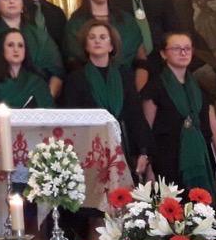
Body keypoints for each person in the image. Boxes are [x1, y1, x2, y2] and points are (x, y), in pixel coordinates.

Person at [140, 32, 216, 202]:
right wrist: (149, 169)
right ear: (163, 54)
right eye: (176, 48)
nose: (183, 53)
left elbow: (215, 129)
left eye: (187, 48)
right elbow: (146, 131)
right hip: (166, 164)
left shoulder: (201, 88)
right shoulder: (154, 87)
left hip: (201, 161)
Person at [61, 20, 150, 180]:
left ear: (111, 46)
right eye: (92, 37)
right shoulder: (75, 79)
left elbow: (135, 115)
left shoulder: (124, 76)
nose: (97, 41)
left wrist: (143, 151)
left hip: (124, 145)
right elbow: (72, 121)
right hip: (90, 149)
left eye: (103, 37)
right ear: (86, 46)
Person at [65, 0, 147, 88]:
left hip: (128, 85)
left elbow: (141, 60)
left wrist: (137, 90)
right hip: (90, 86)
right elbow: (74, 63)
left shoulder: (126, 20)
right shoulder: (76, 23)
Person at [0, 27, 54, 108]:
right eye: (10, 45)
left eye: (20, 45)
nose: (16, 50)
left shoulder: (37, 83)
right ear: (2, 49)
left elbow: (49, 112)